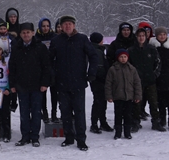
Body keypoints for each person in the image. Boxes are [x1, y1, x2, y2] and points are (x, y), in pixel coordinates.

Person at [49, 15, 97, 151]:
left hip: (78, 82)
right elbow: (49, 60)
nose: (67, 26)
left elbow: (93, 56)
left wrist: (92, 72)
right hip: (62, 82)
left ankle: (81, 139)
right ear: (61, 27)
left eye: (70, 24)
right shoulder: (56, 41)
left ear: (74, 25)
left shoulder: (82, 39)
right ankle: (69, 137)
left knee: (79, 112)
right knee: (65, 112)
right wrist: (53, 75)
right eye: (65, 24)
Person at [9, 22, 51, 147]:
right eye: (23, 32)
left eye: (28, 32)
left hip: (37, 85)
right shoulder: (16, 47)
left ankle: (35, 137)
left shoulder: (40, 47)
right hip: (21, 85)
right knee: (24, 113)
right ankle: (25, 136)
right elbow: (12, 67)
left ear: (33, 33)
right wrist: (12, 84)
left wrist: (45, 83)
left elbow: (46, 67)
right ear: (20, 34)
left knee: (36, 112)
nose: (26, 35)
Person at [128, 28, 166, 132]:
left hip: (150, 81)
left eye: (143, 36)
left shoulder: (152, 49)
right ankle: (135, 122)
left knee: (153, 102)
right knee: (137, 103)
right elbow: (128, 66)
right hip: (136, 82)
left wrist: (155, 74)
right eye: (139, 36)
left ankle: (156, 122)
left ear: (146, 37)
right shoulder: (131, 50)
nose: (141, 38)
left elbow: (158, 63)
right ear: (136, 37)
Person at [149, 27, 169, 131]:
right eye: (160, 35)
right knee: (160, 101)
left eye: (164, 34)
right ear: (156, 36)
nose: (162, 36)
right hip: (158, 78)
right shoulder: (152, 46)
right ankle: (162, 119)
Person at [105, 49, 142, 140]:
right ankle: (118, 132)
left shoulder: (132, 69)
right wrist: (109, 96)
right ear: (118, 58)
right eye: (121, 57)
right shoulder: (113, 69)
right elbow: (108, 84)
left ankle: (127, 132)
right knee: (118, 115)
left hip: (129, 97)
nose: (123, 59)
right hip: (118, 97)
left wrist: (137, 96)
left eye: (125, 57)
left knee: (128, 115)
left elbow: (137, 83)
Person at [35, 17, 59, 123]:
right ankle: (44, 113)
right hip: (41, 69)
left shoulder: (55, 37)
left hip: (53, 67)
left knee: (54, 93)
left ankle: (54, 113)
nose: (46, 28)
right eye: (43, 26)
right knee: (42, 93)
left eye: (48, 26)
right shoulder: (36, 38)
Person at [88, 32, 113, 134]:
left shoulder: (97, 50)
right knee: (99, 102)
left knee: (101, 102)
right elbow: (99, 67)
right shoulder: (97, 51)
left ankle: (101, 122)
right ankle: (96, 124)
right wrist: (104, 78)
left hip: (97, 80)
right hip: (99, 80)